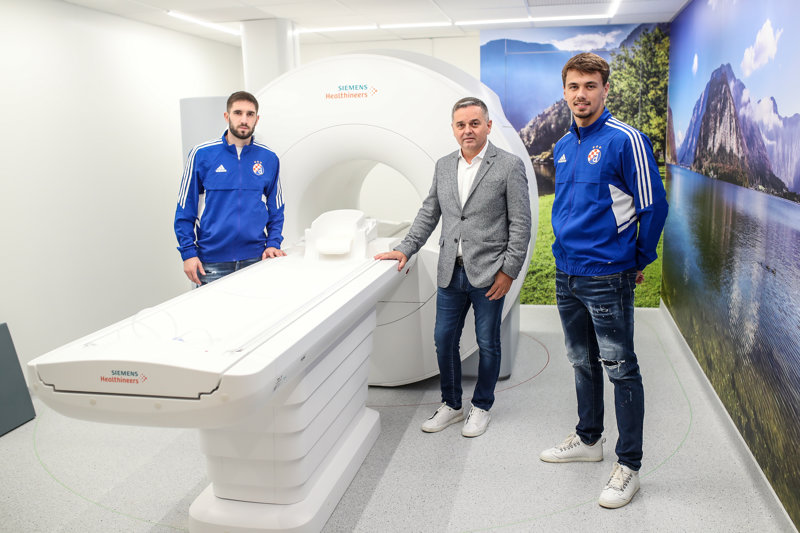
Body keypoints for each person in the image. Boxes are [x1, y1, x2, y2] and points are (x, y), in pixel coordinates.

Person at [539, 52, 668, 508]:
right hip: (566, 273)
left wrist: (637, 258)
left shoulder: (625, 140)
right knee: (581, 361)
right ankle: (589, 439)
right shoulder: (563, 144)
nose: (581, 94)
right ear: (565, 92)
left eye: (590, 85)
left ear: (605, 89)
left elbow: (654, 206)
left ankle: (628, 465)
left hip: (608, 275)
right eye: (574, 86)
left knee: (620, 368)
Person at [375, 97, 531, 438]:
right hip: (450, 270)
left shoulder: (508, 165)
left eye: (474, 123)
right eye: (461, 125)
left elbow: (521, 224)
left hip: (489, 272)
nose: (467, 130)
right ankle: (452, 404)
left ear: (488, 125)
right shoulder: (444, 166)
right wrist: (405, 248)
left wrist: (509, 271)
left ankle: (482, 406)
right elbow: (429, 212)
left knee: (488, 343)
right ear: (453, 128)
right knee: (443, 340)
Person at [174, 91, 286, 285]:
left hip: (256, 259)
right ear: (227, 116)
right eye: (238, 113)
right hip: (212, 262)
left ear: (257, 119)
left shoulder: (269, 158)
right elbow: (185, 207)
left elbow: (276, 208)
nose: (244, 120)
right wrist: (188, 253)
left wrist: (273, 243)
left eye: (250, 114)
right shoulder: (201, 154)